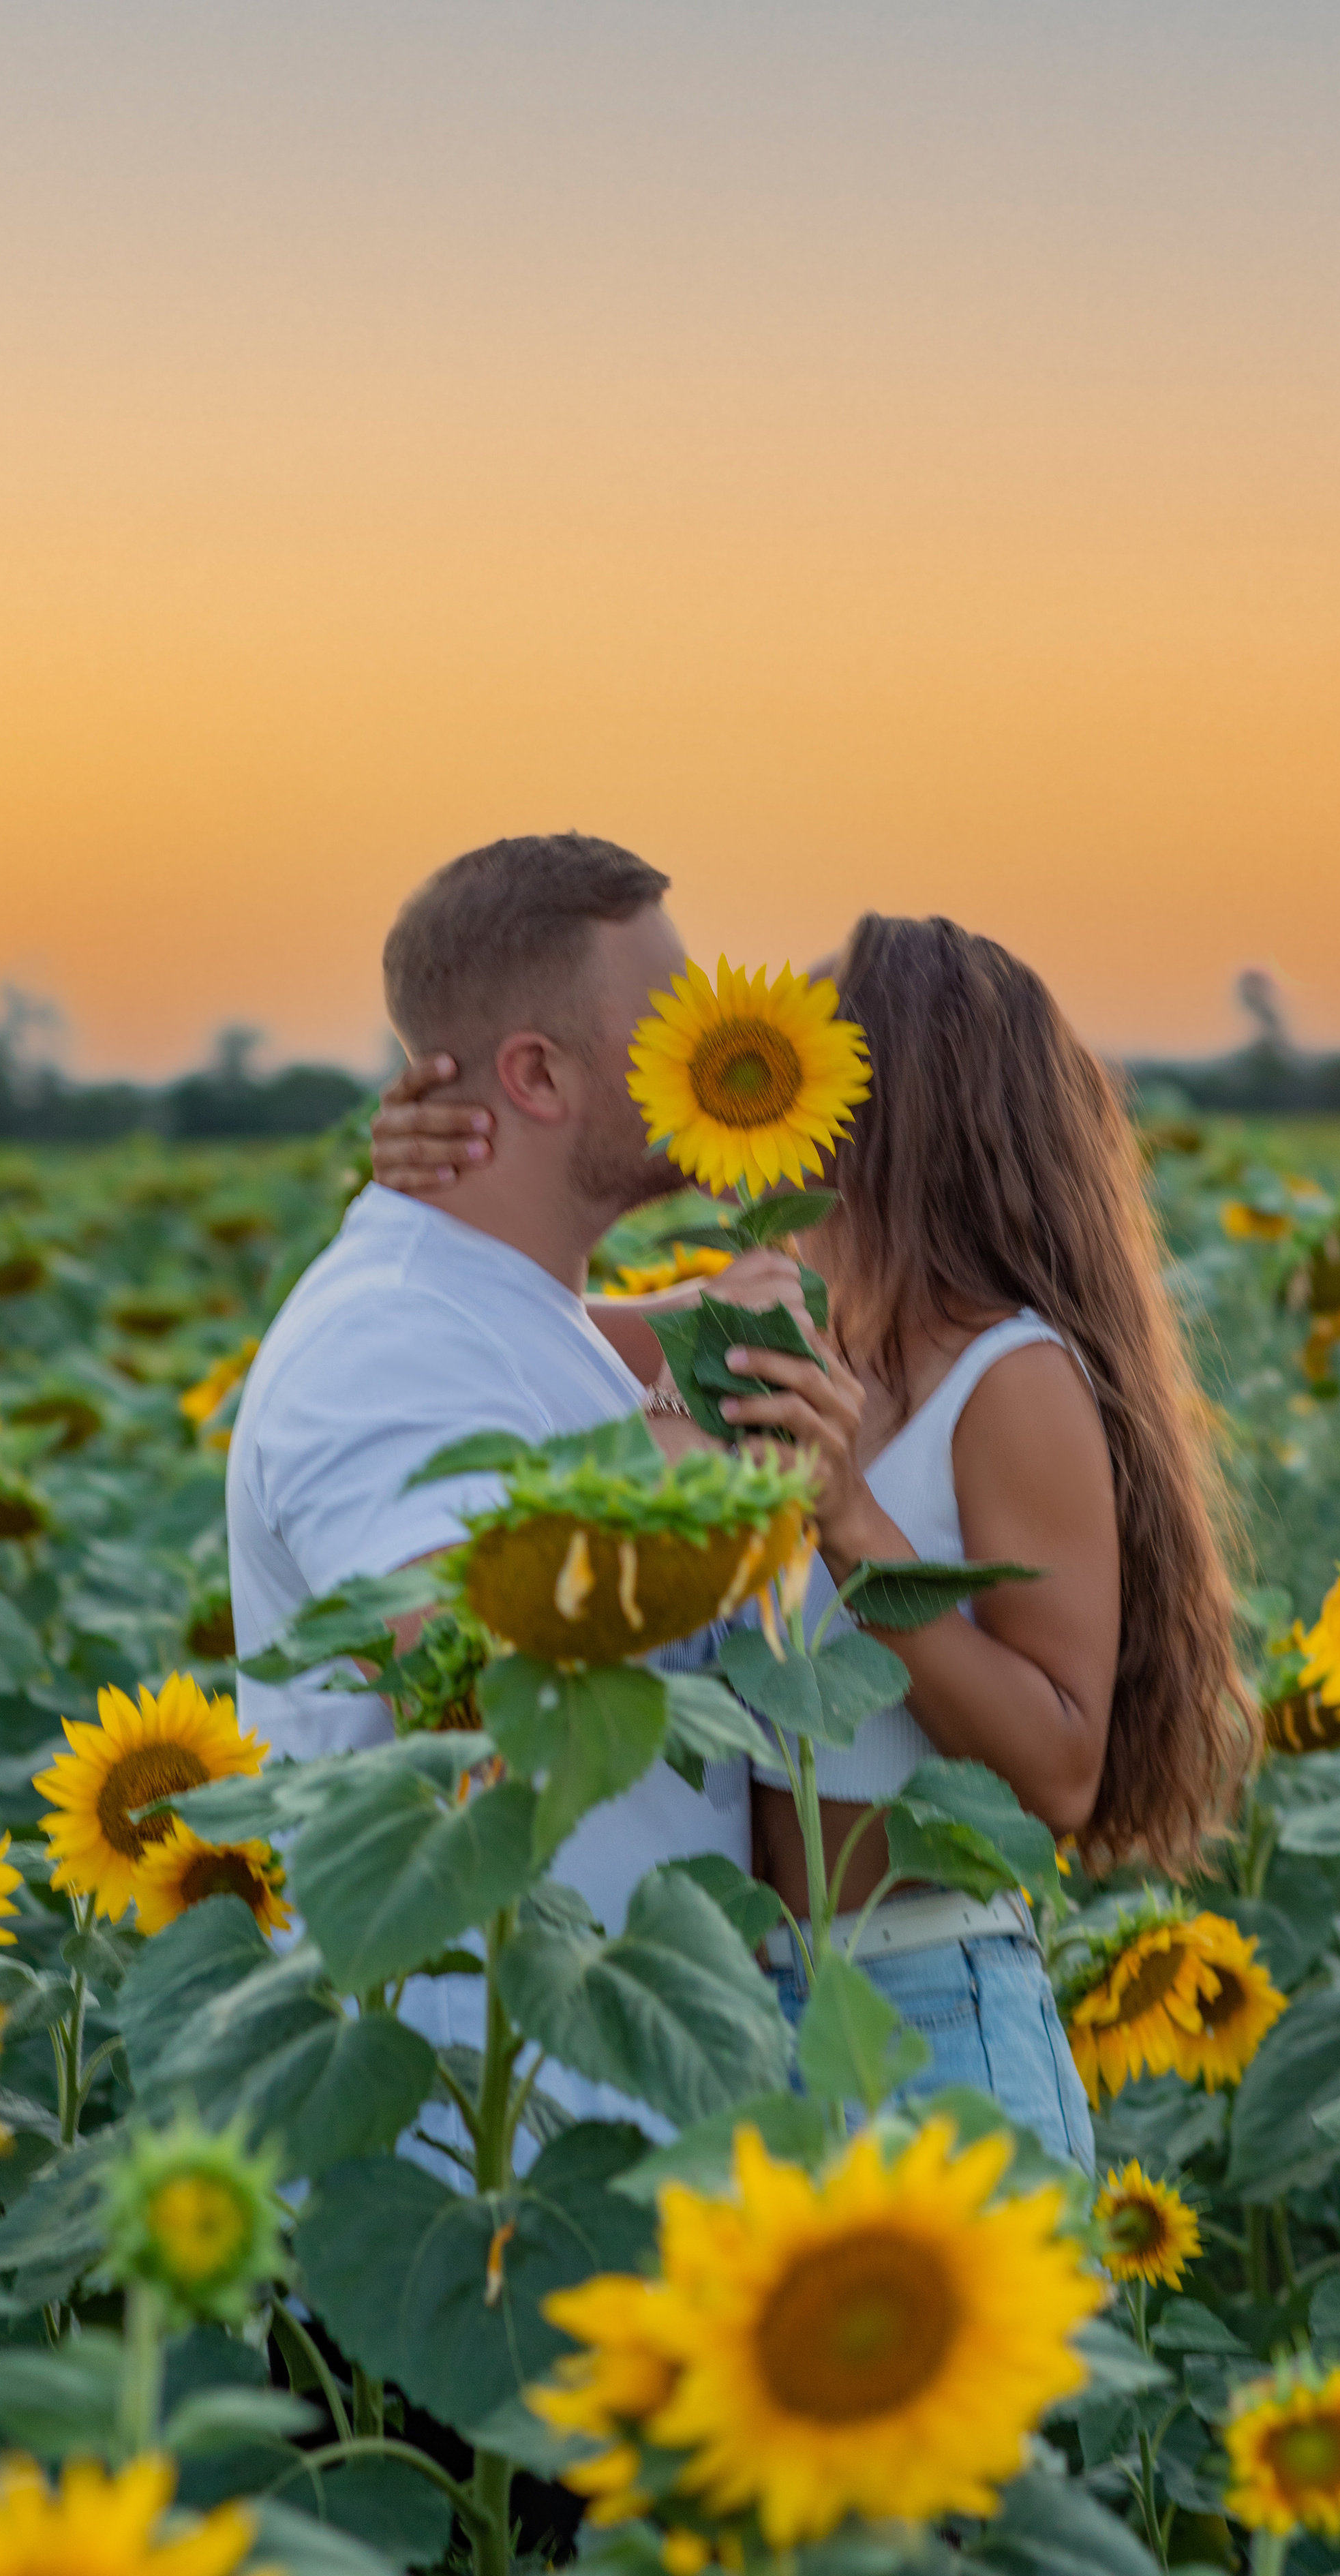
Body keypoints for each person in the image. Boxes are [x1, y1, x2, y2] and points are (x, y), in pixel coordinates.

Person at [369, 913, 1254, 2166]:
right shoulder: (789, 1333)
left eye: (795, 1068)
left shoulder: (1011, 1378)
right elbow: (514, 1317)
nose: (753, 1095)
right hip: (755, 2013)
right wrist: (432, 1170)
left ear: (884, 1110)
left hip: (931, 2006)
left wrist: (850, 1523)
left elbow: (1060, 1768)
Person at [228, 830, 797, 2145]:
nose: (707, 1053)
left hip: (592, 2125)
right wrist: (725, 1459)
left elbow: (578, 1371)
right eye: (669, 1030)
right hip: (476, 2156)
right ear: (537, 1072)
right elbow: (467, 1649)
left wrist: (761, 1172)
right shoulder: (388, 1336)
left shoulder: (515, 1308)